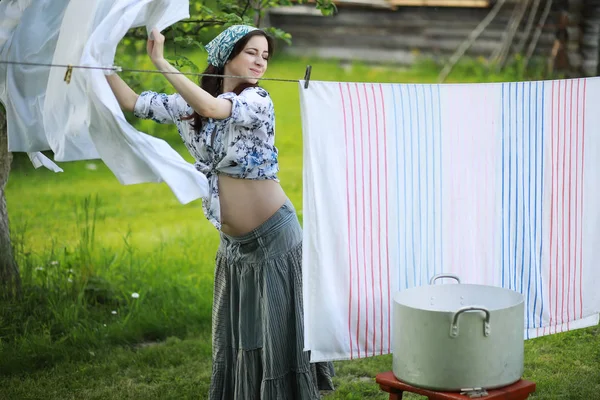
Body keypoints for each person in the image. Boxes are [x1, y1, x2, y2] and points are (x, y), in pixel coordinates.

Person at [106, 25, 335, 399]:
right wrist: (99, 66)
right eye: (252, 53)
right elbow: (134, 102)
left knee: (278, 336)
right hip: (234, 247)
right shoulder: (188, 106)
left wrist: (159, 61)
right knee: (240, 338)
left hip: (275, 237)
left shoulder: (258, 100)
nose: (261, 61)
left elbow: (214, 108)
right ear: (227, 55)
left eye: (265, 55)